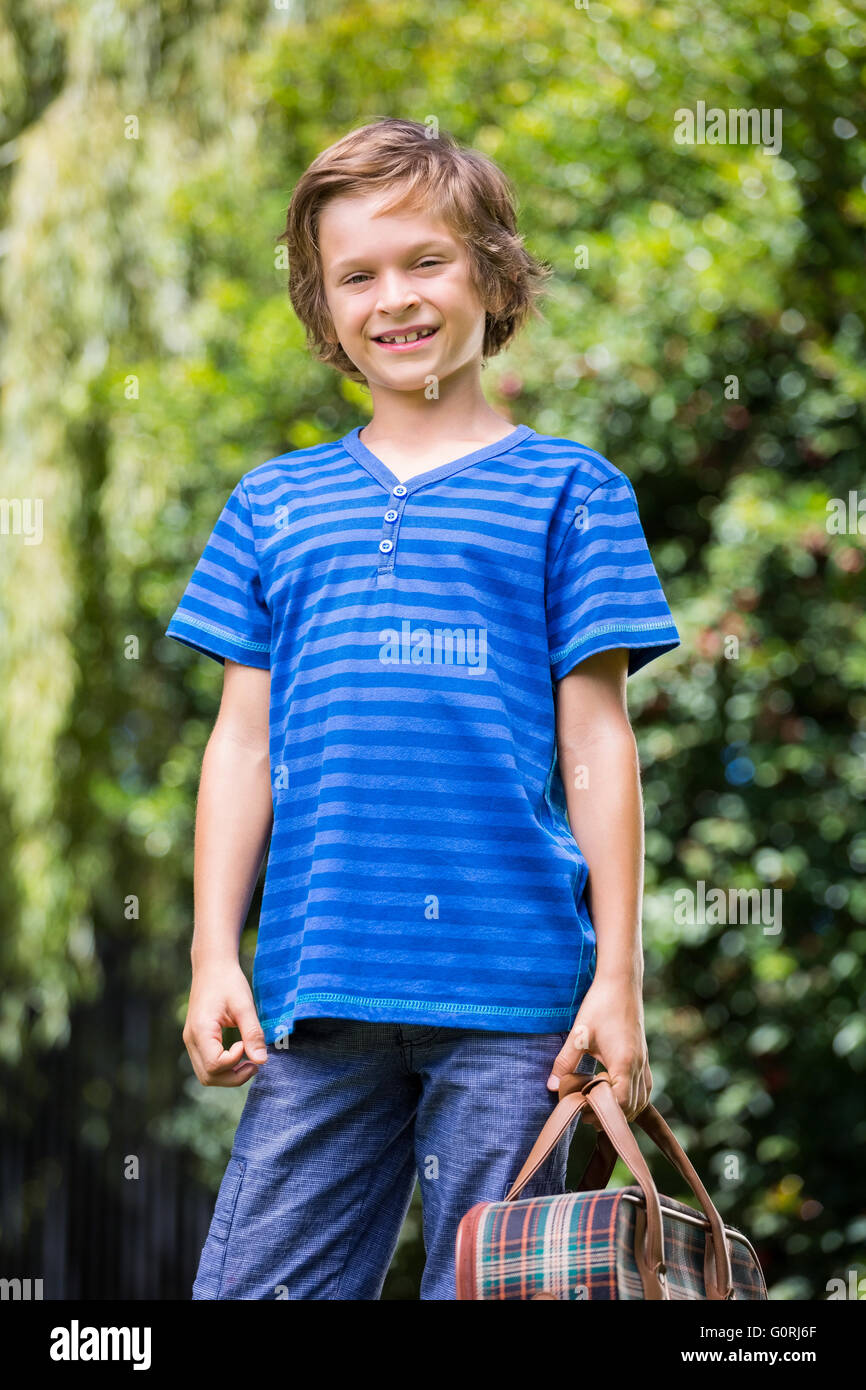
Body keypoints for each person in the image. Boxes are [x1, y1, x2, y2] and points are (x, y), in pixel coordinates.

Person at [165, 117, 681, 1300]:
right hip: (319, 986)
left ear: (492, 275)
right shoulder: (273, 503)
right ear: (323, 308)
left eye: (425, 262)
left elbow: (596, 739)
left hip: (516, 1006)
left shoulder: (570, 493)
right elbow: (239, 744)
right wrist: (210, 953)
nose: (393, 299)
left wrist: (618, 976)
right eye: (357, 276)